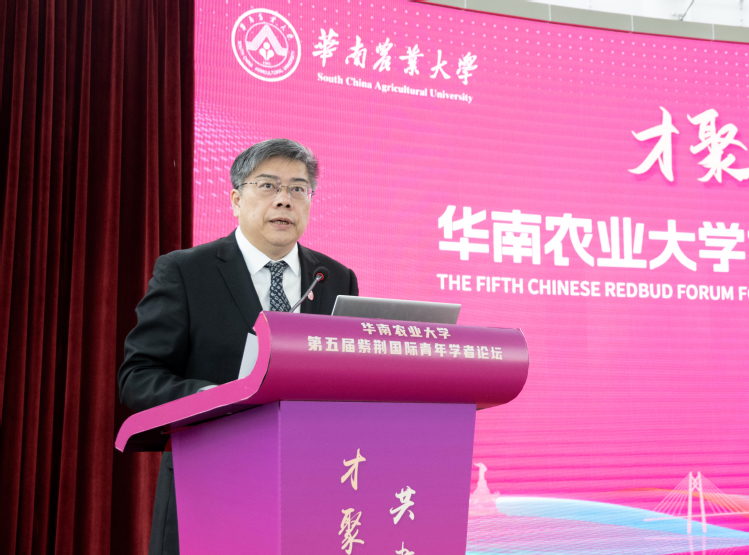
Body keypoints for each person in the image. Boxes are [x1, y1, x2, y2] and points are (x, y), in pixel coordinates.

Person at [117, 139, 359, 555]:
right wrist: (213, 398)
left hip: (308, 486)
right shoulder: (186, 271)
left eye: (298, 188)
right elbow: (138, 377)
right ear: (235, 199)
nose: (284, 200)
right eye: (268, 186)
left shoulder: (336, 278)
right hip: (209, 483)